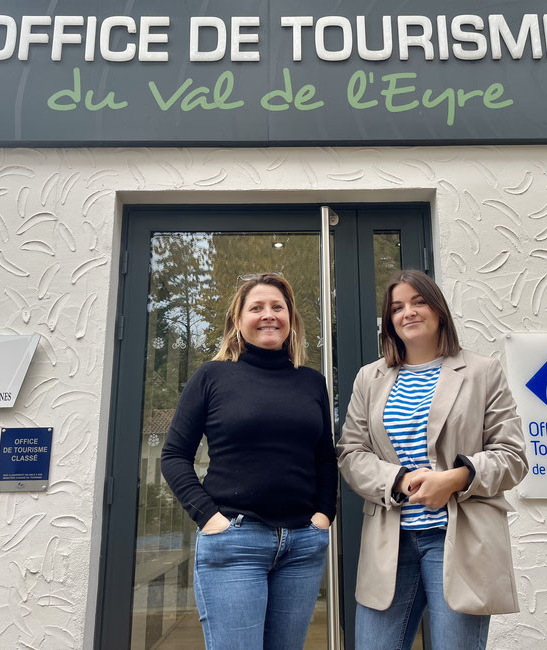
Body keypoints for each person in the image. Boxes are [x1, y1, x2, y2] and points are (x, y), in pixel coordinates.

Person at [337, 269, 528, 650]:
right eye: (397, 307)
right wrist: (401, 480)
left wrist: (454, 479)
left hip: (459, 540)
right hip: (390, 541)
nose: (408, 312)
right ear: (389, 320)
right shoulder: (368, 378)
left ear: (438, 309)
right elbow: (351, 453)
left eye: (418, 301)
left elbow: (513, 455)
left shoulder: (481, 371)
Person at [161, 272, 337, 650]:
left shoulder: (311, 382)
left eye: (278, 306)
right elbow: (174, 456)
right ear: (238, 321)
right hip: (234, 542)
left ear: (291, 318)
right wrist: (209, 518)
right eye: (256, 307)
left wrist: (324, 516)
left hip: (302, 545)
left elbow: (324, 458)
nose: (268, 315)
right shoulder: (212, 376)